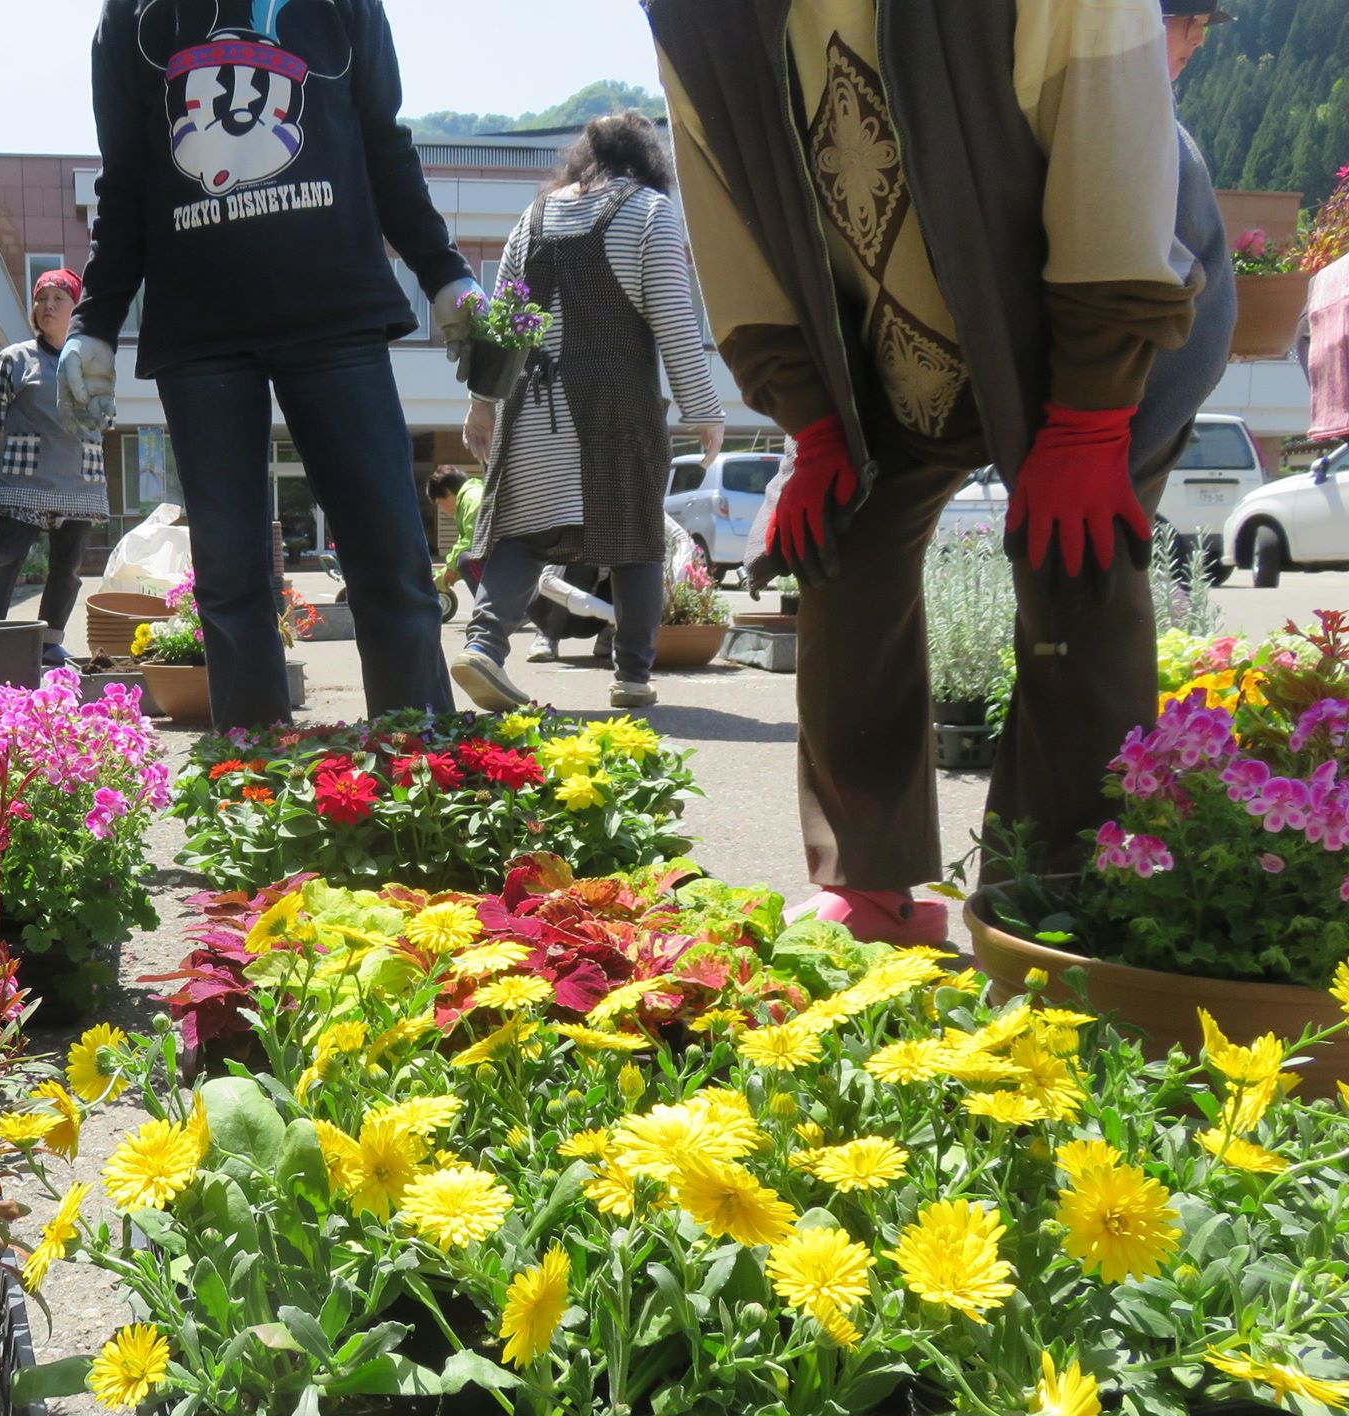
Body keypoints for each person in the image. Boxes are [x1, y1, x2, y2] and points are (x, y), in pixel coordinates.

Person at [651, 0, 1233, 944]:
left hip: (1108, 292)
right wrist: (812, 423)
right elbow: (726, 205)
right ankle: (871, 879)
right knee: (848, 536)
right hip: (890, 343)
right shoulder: (696, 13)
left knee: (1077, 566)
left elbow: (1110, 126)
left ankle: (1055, 901)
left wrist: (1087, 420)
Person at [58, 0, 483, 730]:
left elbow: (383, 140)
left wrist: (445, 273)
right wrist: (95, 322)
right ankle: (254, 790)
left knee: (392, 563)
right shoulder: (132, 14)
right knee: (229, 583)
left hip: (336, 311)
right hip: (201, 329)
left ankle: (424, 777)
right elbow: (124, 180)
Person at [452, 110, 726, 714]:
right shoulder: (650, 212)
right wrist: (705, 410)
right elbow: (677, 324)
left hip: (531, 412)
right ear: (646, 160)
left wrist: (481, 406)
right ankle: (631, 676)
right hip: (615, 409)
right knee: (635, 541)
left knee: (521, 537)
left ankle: (484, 647)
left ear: (584, 156)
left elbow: (504, 318)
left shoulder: (533, 216)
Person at [0, 268, 107, 667]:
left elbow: (107, 419)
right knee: (4, 560)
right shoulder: (15, 358)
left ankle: (49, 642)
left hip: (79, 481)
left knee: (67, 569)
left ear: (76, 308)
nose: (48, 306)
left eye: (58, 299)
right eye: (41, 299)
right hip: (24, 479)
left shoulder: (93, 361)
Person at [430, 465, 483, 599]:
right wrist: (443, 576)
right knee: (462, 559)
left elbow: (474, 537)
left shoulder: (473, 498)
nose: (443, 511)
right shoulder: (469, 499)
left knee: (466, 560)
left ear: (447, 492)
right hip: (509, 554)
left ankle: (495, 608)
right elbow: (463, 544)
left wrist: (451, 568)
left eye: (440, 504)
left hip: (511, 556)